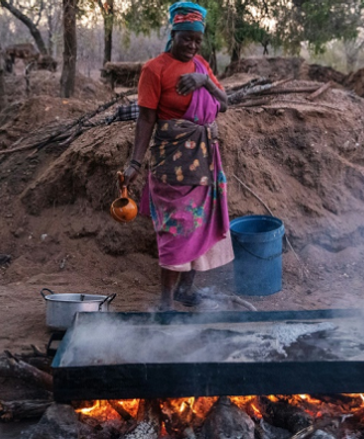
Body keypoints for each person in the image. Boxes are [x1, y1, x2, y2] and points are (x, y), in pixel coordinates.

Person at [121, 1, 232, 311]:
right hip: (172, 162)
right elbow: (146, 119)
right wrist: (134, 162)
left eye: (197, 41)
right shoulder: (154, 70)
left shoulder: (201, 66)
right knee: (176, 228)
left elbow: (224, 103)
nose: (192, 46)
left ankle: (185, 290)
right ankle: (166, 302)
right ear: (174, 35)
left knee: (201, 225)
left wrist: (205, 81)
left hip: (205, 159)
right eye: (187, 39)